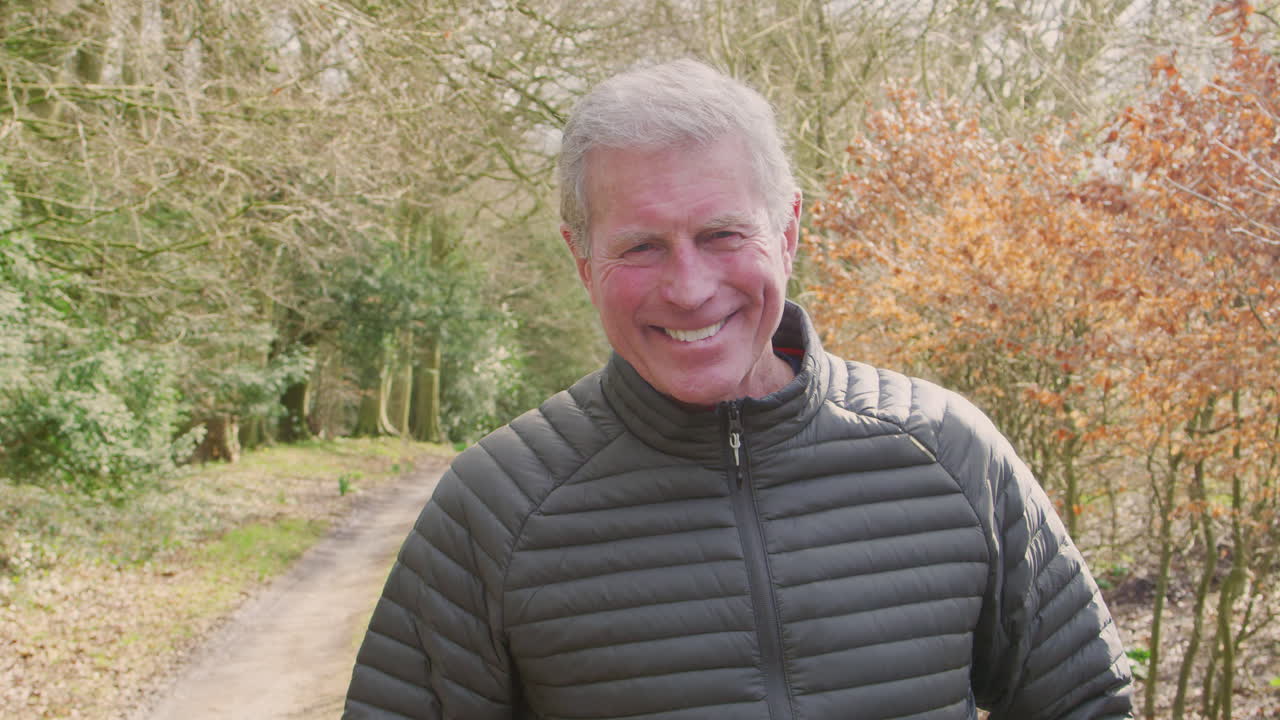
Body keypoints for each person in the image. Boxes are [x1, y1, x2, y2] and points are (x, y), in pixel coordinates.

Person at [343, 59, 1133, 720]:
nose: (689, 289)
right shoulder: (495, 509)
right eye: (641, 246)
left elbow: (1086, 702)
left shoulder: (950, 453)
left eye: (722, 234)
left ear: (788, 231)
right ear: (582, 260)